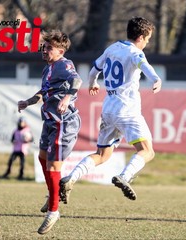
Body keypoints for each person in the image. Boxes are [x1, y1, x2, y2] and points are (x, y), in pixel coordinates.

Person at [59, 16, 162, 204]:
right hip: (127, 110)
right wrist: (156, 79)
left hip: (108, 109)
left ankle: (70, 178)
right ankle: (125, 176)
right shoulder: (134, 52)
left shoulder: (112, 48)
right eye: (147, 39)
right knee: (147, 151)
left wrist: (93, 83)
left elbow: (93, 71)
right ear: (141, 36)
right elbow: (145, 66)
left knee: (102, 155)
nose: (147, 43)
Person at [17, 30, 83, 235]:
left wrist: (66, 99)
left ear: (60, 51)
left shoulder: (64, 64)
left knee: (54, 164)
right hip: (50, 120)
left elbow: (77, 81)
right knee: (42, 157)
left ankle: (54, 211)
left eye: (49, 48)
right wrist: (28, 102)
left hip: (64, 122)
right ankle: (53, 192)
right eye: (43, 47)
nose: (44, 50)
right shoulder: (48, 69)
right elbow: (43, 93)